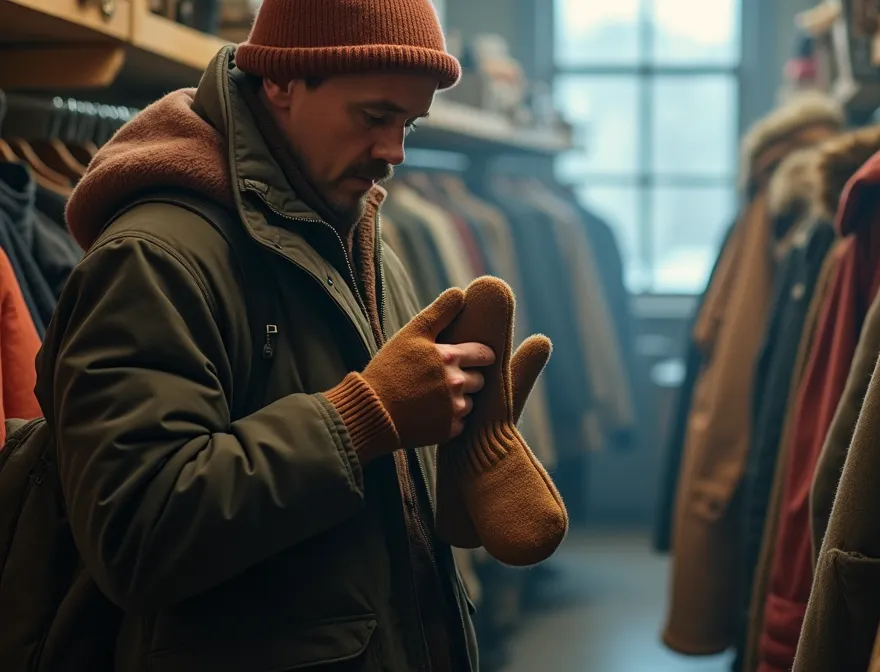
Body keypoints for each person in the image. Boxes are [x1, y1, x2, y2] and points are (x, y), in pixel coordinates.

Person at [36, 1, 554, 669]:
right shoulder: (153, 258)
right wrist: (362, 418)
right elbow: (135, 532)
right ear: (281, 80)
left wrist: (459, 443)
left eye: (408, 124)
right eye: (374, 116)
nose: (393, 153)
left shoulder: (357, 235)